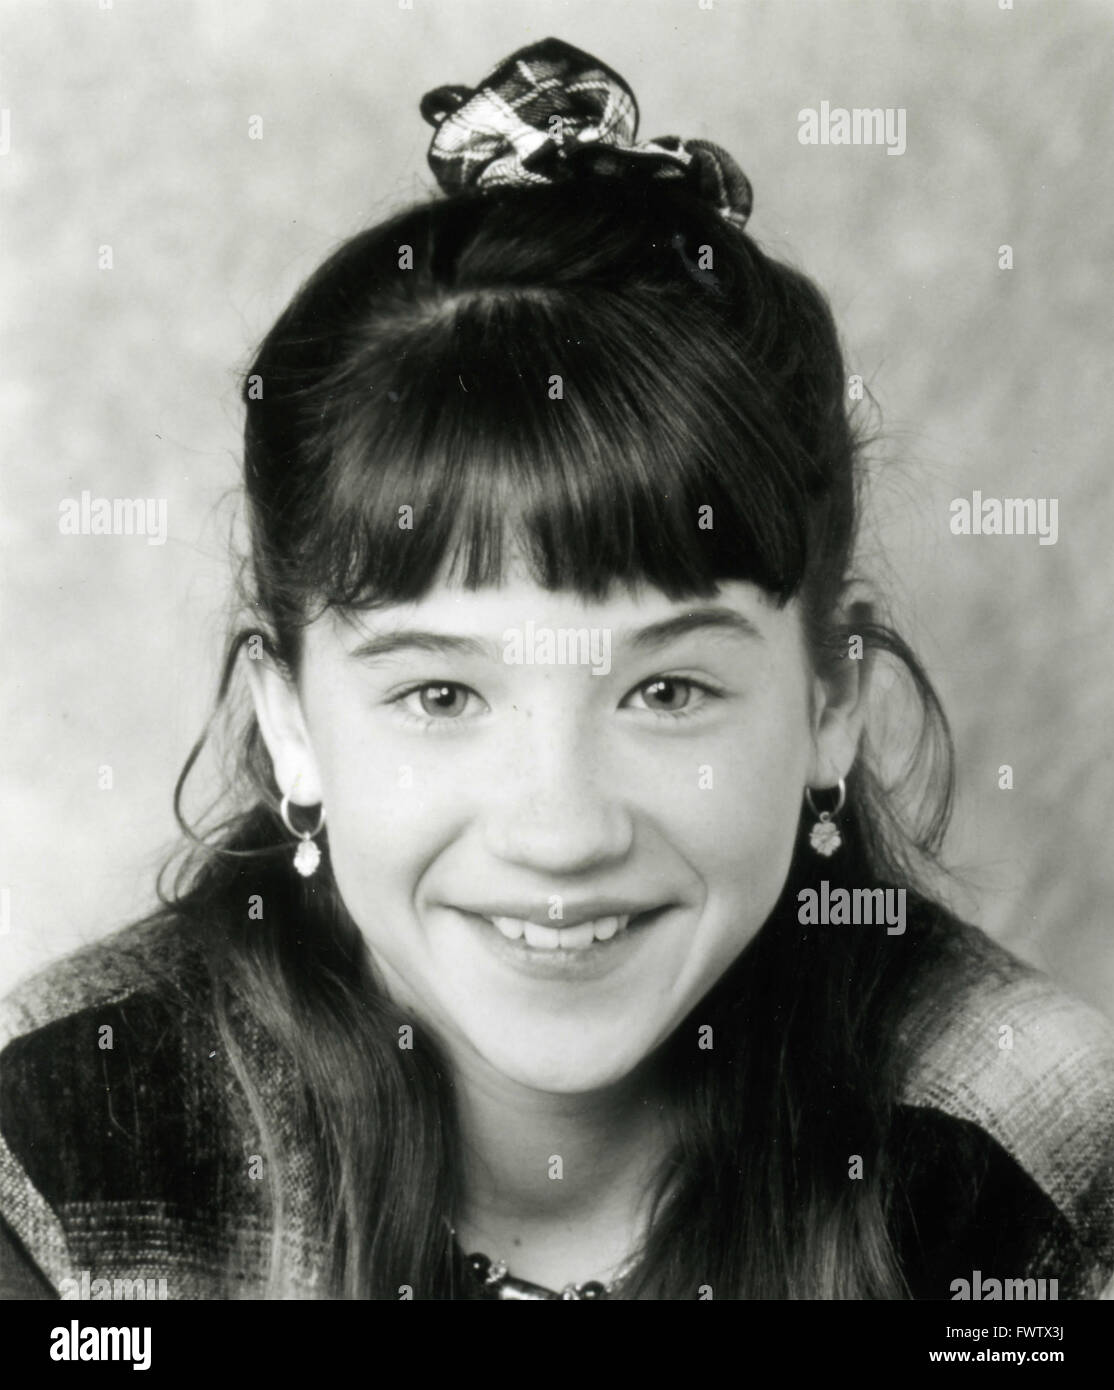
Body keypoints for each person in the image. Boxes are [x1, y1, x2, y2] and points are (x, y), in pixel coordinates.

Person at [1, 38, 1112, 1302]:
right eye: (441, 695)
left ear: (831, 703)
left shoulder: (1033, 1182)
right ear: (289, 721)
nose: (560, 832)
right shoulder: (64, 1162)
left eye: (667, 691)